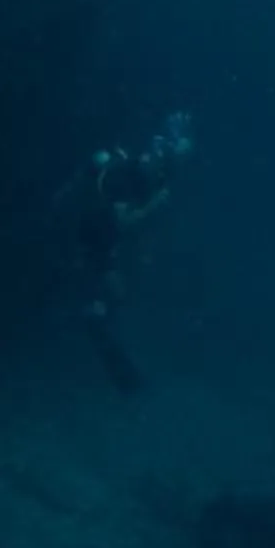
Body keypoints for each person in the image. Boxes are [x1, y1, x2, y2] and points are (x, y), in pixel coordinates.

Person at [66, 112, 195, 393]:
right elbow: (123, 221)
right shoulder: (127, 177)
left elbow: (142, 220)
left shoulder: (153, 174)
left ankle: (97, 313)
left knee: (119, 292)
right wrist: (155, 206)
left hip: (106, 238)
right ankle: (93, 314)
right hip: (95, 236)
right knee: (113, 293)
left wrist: (147, 247)